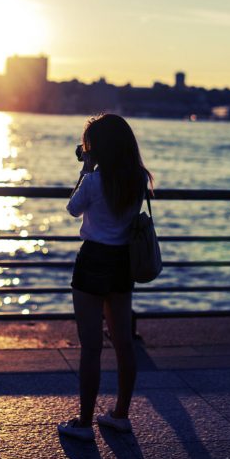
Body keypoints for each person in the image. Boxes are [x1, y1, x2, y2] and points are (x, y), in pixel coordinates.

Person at [58, 113, 153, 441]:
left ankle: (84, 423)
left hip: (94, 259)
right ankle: (120, 414)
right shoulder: (139, 178)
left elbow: (72, 209)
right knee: (123, 342)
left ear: (97, 149)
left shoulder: (93, 181)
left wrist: (86, 168)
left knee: (91, 346)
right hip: (122, 262)